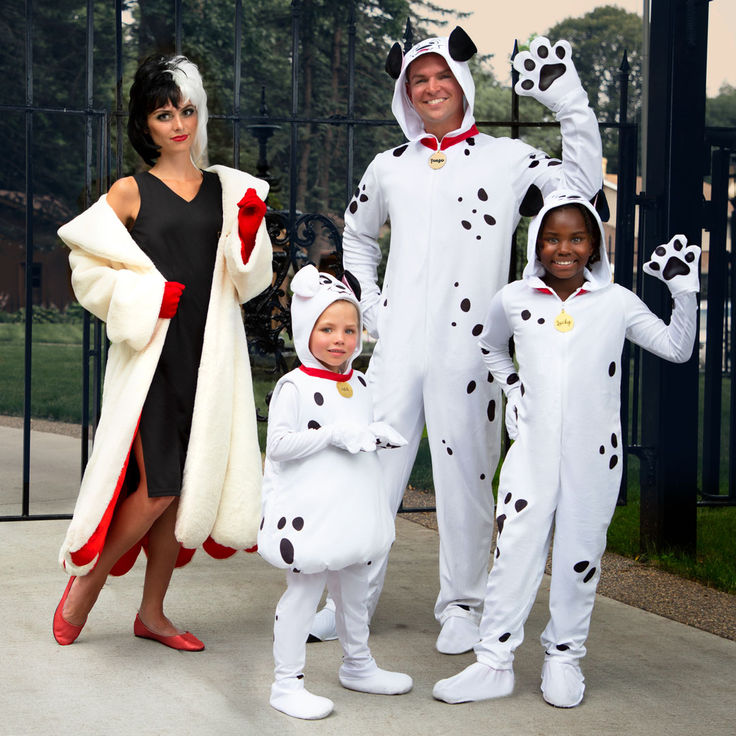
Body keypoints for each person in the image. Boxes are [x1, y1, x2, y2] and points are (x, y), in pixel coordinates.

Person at [310, 28, 603, 654]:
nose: (432, 88)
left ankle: (464, 604)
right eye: (419, 80)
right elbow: (358, 236)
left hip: (471, 348)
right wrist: (370, 307)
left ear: (462, 82)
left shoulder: (508, 158)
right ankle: (348, 599)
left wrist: (569, 105)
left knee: (468, 476)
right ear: (406, 93)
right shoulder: (388, 166)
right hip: (397, 347)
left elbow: (580, 185)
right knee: (369, 468)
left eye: (441, 76)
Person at [432, 190, 699, 707]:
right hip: (531, 451)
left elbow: (677, 348)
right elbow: (489, 346)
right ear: (537, 242)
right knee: (514, 551)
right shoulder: (514, 298)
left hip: (595, 454)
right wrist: (513, 388)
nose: (564, 248)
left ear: (594, 245)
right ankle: (493, 660)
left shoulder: (616, 302)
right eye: (553, 238)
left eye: (577, 238)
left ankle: (565, 656)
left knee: (582, 553)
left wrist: (683, 292)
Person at [52, 54, 272, 650]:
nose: (178, 123)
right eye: (163, 113)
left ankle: (152, 614)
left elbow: (251, 280)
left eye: (187, 110)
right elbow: (85, 271)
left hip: (211, 357)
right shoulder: (130, 191)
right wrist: (144, 297)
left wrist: (249, 237)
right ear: (145, 124)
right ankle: (86, 584)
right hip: (154, 356)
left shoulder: (230, 190)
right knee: (158, 489)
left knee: (185, 491)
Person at [258, 265, 412, 720]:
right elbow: (280, 446)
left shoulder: (359, 383)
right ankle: (286, 683)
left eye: (350, 329)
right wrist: (332, 435)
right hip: (309, 514)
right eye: (327, 329)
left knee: (354, 591)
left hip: (352, 511)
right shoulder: (294, 386)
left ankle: (358, 665)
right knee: (304, 594)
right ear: (307, 331)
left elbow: (356, 436)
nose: (339, 339)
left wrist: (374, 433)